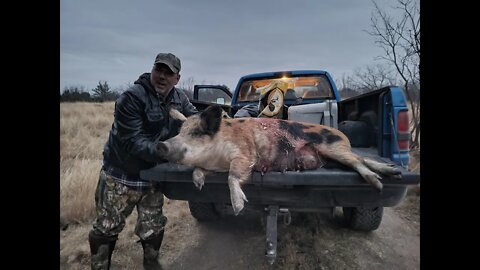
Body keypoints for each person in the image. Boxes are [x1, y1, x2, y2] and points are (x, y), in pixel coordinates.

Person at [88, 52, 198, 270]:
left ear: (177, 78)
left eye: (169, 73)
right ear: (152, 70)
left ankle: (152, 264)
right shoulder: (132, 98)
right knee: (106, 229)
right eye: (159, 70)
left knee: (153, 225)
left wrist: (214, 124)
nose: (162, 76)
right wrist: (171, 152)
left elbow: (194, 119)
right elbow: (134, 142)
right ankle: (99, 265)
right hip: (120, 176)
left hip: (152, 177)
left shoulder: (180, 98)